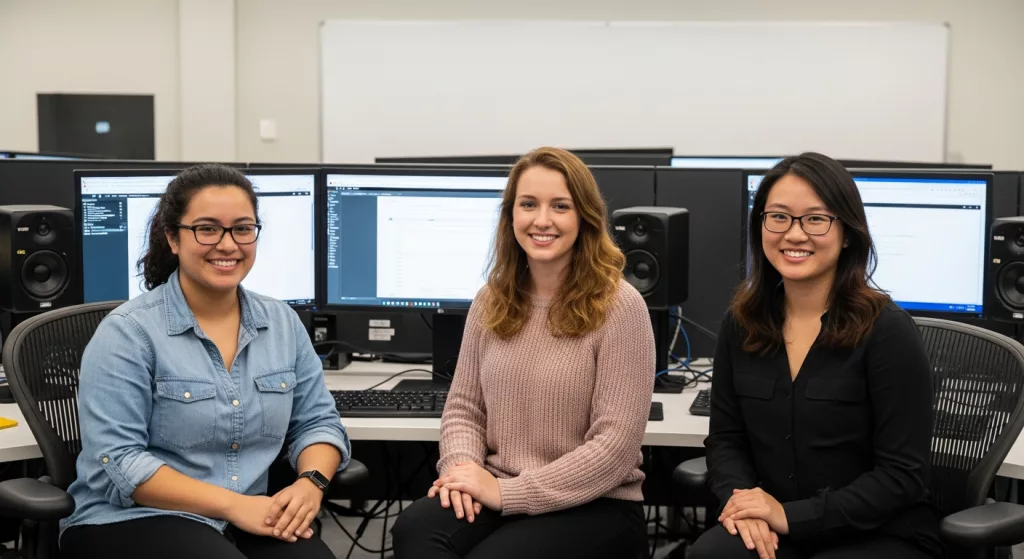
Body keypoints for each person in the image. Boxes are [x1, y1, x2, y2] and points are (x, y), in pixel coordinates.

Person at [60, 164, 351, 559]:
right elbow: (120, 462)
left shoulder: (281, 322)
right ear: (173, 238)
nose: (228, 244)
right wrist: (235, 505)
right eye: (207, 228)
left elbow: (317, 423)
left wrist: (310, 483)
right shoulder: (128, 333)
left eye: (243, 228)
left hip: (249, 514)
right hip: (132, 517)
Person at [391, 147, 655, 558]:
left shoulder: (620, 306)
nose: (541, 220)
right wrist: (464, 471)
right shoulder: (491, 300)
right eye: (528, 204)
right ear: (510, 215)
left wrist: (506, 492)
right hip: (496, 486)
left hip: (595, 503)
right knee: (414, 529)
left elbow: (615, 448)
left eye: (560, 206)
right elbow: (463, 408)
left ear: (584, 217)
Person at [688, 152, 943, 559]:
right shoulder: (742, 323)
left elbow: (903, 476)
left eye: (815, 219)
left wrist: (792, 516)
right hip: (774, 525)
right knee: (711, 555)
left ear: (847, 233)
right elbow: (726, 440)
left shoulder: (887, 331)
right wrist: (744, 504)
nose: (794, 234)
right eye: (779, 217)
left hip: (878, 530)